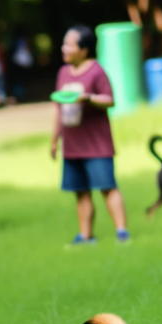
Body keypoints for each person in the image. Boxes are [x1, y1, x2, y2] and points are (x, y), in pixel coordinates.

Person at [50, 25, 130, 245]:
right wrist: (54, 140)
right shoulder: (63, 73)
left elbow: (110, 100)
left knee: (107, 187)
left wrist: (87, 98)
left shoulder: (96, 71)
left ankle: (122, 232)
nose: (64, 48)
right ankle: (86, 235)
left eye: (69, 44)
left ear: (84, 50)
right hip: (72, 143)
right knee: (80, 191)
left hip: (96, 143)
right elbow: (58, 108)